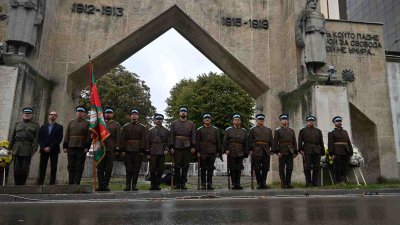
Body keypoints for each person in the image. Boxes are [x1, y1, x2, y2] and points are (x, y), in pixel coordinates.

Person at [9, 107, 39, 185]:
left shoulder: (35, 125)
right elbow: (12, 137)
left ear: (31, 115)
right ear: (23, 114)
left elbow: (37, 138)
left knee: (24, 169)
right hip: (17, 148)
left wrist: (34, 149)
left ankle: (22, 185)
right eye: (25, 113)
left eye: (29, 114)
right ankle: (16, 185)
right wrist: (9, 148)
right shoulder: (17, 124)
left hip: (27, 149)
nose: (27, 115)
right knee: (16, 169)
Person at [295, 0, 326, 74]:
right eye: (312, 1)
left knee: (319, 53)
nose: (315, 3)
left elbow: (324, 26)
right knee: (310, 53)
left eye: (316, 2)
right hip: (309, 36)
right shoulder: (304, 14)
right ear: (308, 3)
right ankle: (310, 69)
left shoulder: (321, 15)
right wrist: (299, 37)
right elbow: (298, 26)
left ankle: (318, 69)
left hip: (319, 36)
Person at [169, 107, 196, 190]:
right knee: (177, 166)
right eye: (182, 111)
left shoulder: (191, 124)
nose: (183, 113)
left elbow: (193, 135)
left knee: (185, 166)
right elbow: (171, 135)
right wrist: (171, 146)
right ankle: (177, 183)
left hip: (187, 146)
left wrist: (193, 146)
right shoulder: (174, 123)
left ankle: (183, 183)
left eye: (185, 111)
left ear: (187, 113)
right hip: (177, 146)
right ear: (179, 113)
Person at [63, 106, 91, 185]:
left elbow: (89, 136)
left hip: (81, 147)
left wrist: (87, 147)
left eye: (81, 112)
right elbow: (67, 134)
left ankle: (77, 181)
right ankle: (71, 181)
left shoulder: (87, 123)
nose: (79, 113)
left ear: (84, 114)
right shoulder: (71, 122)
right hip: (71, 146)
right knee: (71, 165)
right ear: (76, 113)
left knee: (79, 165)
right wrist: (65, 146)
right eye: (78, 111)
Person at [121, 108, 147, 191]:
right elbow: (122, 139)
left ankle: (134, 185)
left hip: (138, 150)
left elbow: (144, 139)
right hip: (128, 150)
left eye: (135, 114)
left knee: (136, 168)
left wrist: (142, 150)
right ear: (130, 116)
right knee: (128, 168)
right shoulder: (125, 126)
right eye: (132, 114)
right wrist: (123, 150)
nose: (134, 115)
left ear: (138, 116)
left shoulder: (142, 127)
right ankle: (128, 185)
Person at [96, 107, 121, 191]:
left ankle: (106, 185)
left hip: (111, 149)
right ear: (104, 114)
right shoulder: (100, 123)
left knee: (108, 168)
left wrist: (117, 148)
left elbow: (118, 137)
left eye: (110, 113)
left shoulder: (116, 124)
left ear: (112, 114)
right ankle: (100, 185)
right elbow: (96, 135)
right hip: (101, 148)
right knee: (100, 168)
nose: (108, 114)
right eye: (107, 113)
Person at [196, 113, 221, 190]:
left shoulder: (215, 129)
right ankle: (203, 184)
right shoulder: (199, 129)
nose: (207, 119)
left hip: (212, 151)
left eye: (209, 118)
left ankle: (209, 183)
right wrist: (198, 151)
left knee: (210, 168)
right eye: (206, 118)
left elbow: (218, 141)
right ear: (203, 120)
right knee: (203, 168)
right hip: (203, 152)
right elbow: (197, 141)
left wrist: (218, 151)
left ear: (210, 120)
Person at [248, 114, 273, 189]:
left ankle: (264, 182)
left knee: (265, 168)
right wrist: (250, 150)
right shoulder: (253, 129)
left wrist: (273, 150)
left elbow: (271, 141)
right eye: (259, 119)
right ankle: (259, 183)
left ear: (264, 120)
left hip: (266, 150)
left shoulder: (268, 130)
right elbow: (250, 141)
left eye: (262, 119)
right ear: (256, 120)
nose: (261, 121)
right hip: (256, 150)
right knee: (257, 168)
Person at [37, 111, 63, 185]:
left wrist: (50, 147)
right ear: (49, 116)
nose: (52, 116)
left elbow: (59, 139)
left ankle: (52, 183)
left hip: (54, 149)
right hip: (44, 150)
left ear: (56, 117)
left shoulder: (59, 127)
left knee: (53, 167)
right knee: (42, 167)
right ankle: (40, 183)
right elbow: (40, 139)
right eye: (51, 115)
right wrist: (44, 147)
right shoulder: (43, 127)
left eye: (54, 115)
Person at [298, 116, 324, 187]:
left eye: (312, 120)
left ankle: (315, 182)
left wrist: (322, 151)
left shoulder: (318, 131)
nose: (311, 122)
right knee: (307, 167)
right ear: (307, 122)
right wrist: (300, 150)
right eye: (309, 121)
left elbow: (321, 141)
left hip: (317, 151)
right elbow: (300, 141)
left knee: (316, 167)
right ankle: (308, 182)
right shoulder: (303, 130)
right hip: (307, 150)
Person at [223, 114, 248, 190]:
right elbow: (225, 141)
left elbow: (246, 142)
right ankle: (234, 183)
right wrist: (226, 149)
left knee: (239, 168)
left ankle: (238, 183)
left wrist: (246, 152)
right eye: (235, 120)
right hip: (231, 151)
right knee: (232, 168)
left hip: (240, 151)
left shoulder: (244, 131)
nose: (237, 121)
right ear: (233, 121)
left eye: (238, 120)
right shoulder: (228, 130)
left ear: (240, 121)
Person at [146, 113, 169, 191]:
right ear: (154, 121)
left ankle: (158, 184)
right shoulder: (150, 130)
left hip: (162, 152)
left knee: (160, 169)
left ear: (162, 121)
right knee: (152, 169)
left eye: (160, 119)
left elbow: (168, 142)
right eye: (157, 119)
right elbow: (147, 143)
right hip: (152, 152)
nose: (158, 121)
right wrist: (148, 153)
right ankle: (153, 185)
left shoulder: (166, 131)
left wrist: (166, 149)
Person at [274, 114, 298, 188]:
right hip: (282, 151)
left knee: (289, 168)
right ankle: (283, 183)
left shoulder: (291, 130)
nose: (285, 120)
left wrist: (295, 152)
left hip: (290, 151)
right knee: (282, 169)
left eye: (286, 119)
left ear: (287, 121)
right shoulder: (278, 130)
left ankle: (288, 183)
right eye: (283, 119)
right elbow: (275, 142)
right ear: (281, 121)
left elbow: (294, 141)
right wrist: (277, 152)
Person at [328, 116, 353, 183]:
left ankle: (344, 179)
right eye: (337, 121)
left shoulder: (345, 132)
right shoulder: (331, 132)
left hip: (345, 151)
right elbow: (330, 144)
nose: (339, 122)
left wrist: (351, 151)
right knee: (338, 167)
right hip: (337, 152)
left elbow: (348, 142)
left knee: (344, 167)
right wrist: (332, 154)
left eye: (340, 121)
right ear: (334, 123)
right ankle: (338, 181)